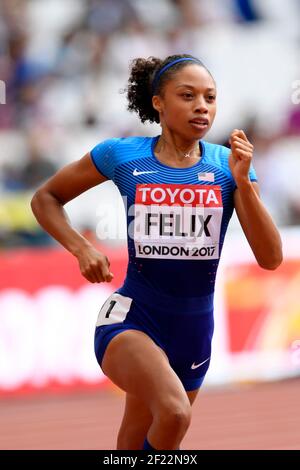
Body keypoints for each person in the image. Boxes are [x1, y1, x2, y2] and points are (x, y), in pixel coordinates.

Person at [31, 54, 283, 450]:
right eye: (188, 95)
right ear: (158, 102)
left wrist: (243, 184)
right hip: (134, 318)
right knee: (175, 412)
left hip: (195, 331)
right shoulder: (123, 155)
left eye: (210, 97)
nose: (202, 106)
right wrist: (81, 248)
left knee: (137, 445)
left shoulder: (228, 166)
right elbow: (46, 198)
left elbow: (270, 258)